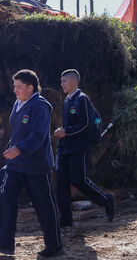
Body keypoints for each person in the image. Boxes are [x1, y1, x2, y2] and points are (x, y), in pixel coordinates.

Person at [0, 70, 63, 257]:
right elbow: (17, 132)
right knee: (2, 187)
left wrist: (19, 148)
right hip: (16, 164)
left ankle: (55, 247)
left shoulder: (40, 106)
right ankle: (5, 243)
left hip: (36, 165)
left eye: (19, 87)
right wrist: (13, 149)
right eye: (14, 86)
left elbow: (39, 135)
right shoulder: (19, 103)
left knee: (44, 205)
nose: (15, 90)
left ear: (31, 87)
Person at [53, 69, 115, 227]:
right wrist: (62, 131)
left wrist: (66, 132)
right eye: (61, 81)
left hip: (78, 149)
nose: (62, 84)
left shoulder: (82, 99)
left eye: (64, 81)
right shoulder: (67, 101)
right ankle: (66, 219)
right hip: (65, 148)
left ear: (74, 82)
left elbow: (86, 124)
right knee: (61, 183)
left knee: (79, 181)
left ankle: (106, 200)